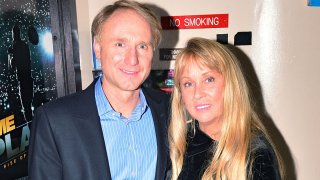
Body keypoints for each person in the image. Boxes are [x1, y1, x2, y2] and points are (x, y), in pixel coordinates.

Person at [28, 0, 170, 179]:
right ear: (97, 47)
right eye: (120, 44)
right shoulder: (54, 122)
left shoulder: (168, 110)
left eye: (142, 46)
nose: (132, 59)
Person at [168, 37, 284, 180]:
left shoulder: (256, 154)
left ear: (230, 84)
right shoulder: (180, 146)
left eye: (208, 80)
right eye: (188, 84)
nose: (198, 93)